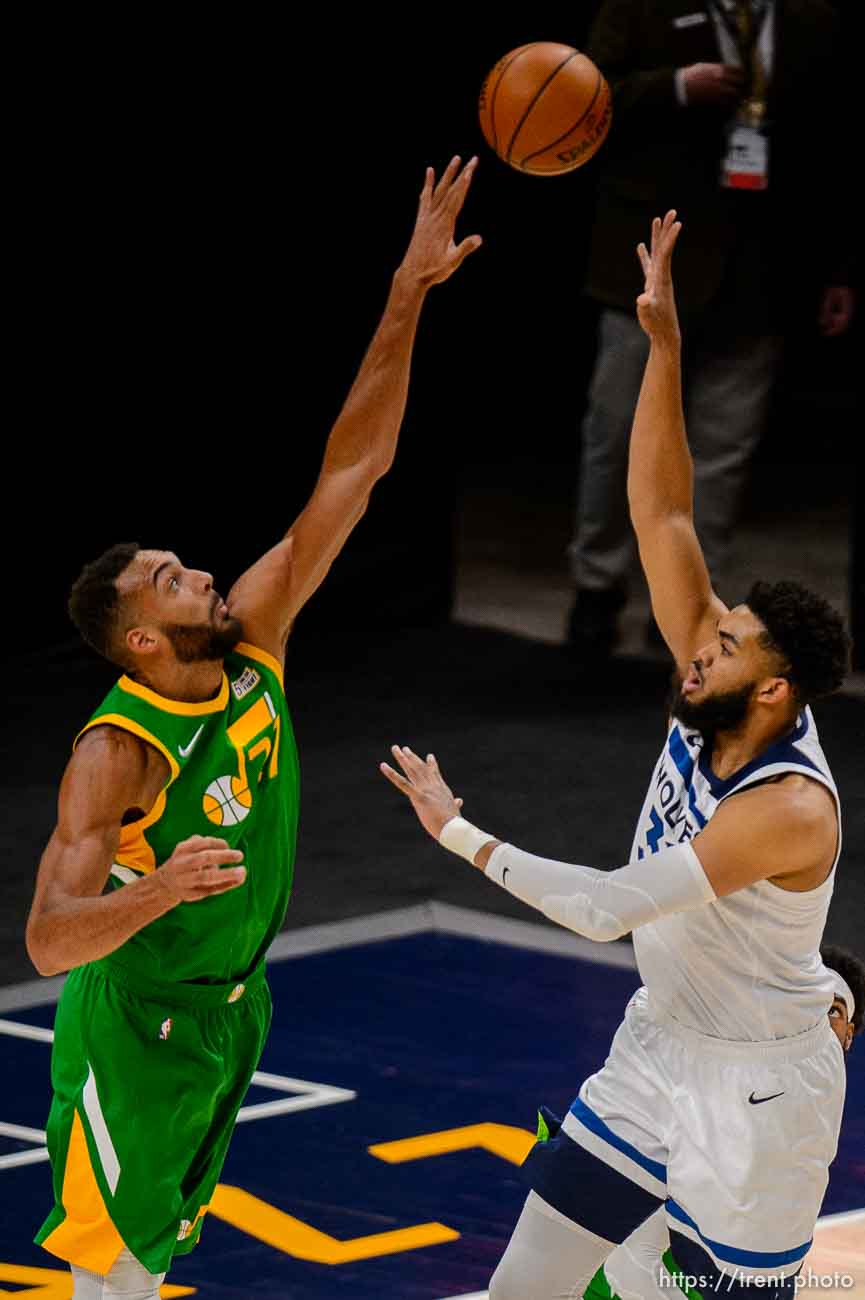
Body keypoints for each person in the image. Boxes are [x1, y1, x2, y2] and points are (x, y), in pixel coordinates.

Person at [24, 156, 481, 1300]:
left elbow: (356, 467)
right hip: (137, 1021)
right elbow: (46, 941)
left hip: (236, 1003)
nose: (205, 574)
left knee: (154, 1260)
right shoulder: (114, 752)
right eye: (175, 579)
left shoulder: (255, 637)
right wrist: (156, 891)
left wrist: (407, 290)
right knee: (113, 1275)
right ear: (137, 640)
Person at [381, 212, 852, 1297]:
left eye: (724, 646)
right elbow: (662, 508)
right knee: (523, 1289)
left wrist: (457, 829)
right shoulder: (717, 682)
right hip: (658, 1050)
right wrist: (664, 347)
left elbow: (604, 910)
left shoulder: (787, 809)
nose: (696, 649)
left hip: (762, 1095)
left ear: (771, 689)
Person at [565, 0, 856, 664]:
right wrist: (674, 85)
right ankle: (596, 585)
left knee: (722, 453)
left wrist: (838, 268)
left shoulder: (814, 18)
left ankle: (694, 612)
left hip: (761, 270)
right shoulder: (641, 8)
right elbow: (584, 99)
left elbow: (836, 140)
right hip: (648, 257)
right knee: (615, 434)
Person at [579, 941, 864, 1299]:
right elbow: (633, 1260)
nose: (816, 1019)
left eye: (833, 1011)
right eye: (810, 1004)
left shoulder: (819, 1098)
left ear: (849, 1036)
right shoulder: (728, 1069)